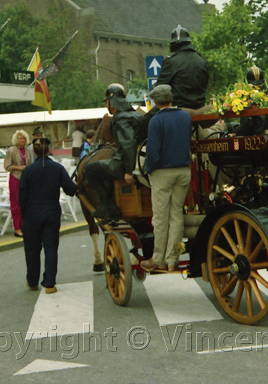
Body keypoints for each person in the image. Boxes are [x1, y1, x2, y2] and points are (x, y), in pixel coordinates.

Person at [140, 85, 192, 272]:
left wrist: (149, 169)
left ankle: (158, 258)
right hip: (183, 171)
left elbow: (152, 151)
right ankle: (173, 258)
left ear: (155, 102)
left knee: (160, 217)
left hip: (163, 172)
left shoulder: (156, 121)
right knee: (176, 215)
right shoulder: (185, 116)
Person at [19, 137, 77, 293]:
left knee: (31, 249)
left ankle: (32, 281)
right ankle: (49, 283)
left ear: (35, 151)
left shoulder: (28, 170)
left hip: (31, 214)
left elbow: (22, 196)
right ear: (48, 149)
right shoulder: (57, 168)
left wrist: (25, 216)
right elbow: (70, 189)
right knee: (51, 248)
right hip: (51, 213)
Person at [85, 83, 143, 223]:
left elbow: (128, 144)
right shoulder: (136, 115)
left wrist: (129, 171)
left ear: (112, 102)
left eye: (106, 102)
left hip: (127, 164)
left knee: (90, 169)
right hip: (141, 160)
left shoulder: (120, 118)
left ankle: (108, 207)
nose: (106, 106)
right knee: (104, 168)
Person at [155, 25, 209, 112]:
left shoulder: (170, 61)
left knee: (144, 121)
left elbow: (160, 88)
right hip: (200, 108)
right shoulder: (201, 61)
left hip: (177, 110)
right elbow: (205, 84)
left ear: (172, 44)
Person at [231, 65, 268, 137]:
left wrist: (232, 127)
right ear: (264, 84)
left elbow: (243, 131)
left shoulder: (248, 104)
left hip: (256, 145)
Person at [4, 130, 31, 238]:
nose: (22, 140)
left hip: (26, 178)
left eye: (24, 138)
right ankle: (17, 228)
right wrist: (19, 167)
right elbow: (7, 166)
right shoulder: (11, 151)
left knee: (26, 202)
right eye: (20, 138)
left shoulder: (28, 151)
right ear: (16, 139)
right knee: (16, 204)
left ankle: (25, 226)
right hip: (15, 178)